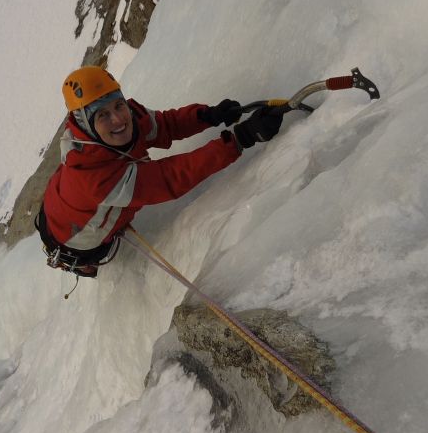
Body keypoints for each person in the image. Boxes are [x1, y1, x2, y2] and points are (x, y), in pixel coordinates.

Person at [36, 66, 282, 276]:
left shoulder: (126, 119)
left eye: (118, 105)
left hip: (58, 203)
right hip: (75, 240)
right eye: (102, 115)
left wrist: (209, 115)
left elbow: (166, 125)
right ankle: (86, 267)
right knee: (96, 251)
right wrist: (240, 138)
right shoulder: (96, 180)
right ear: (85, 125)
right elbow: (169, 178)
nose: (119, 119)